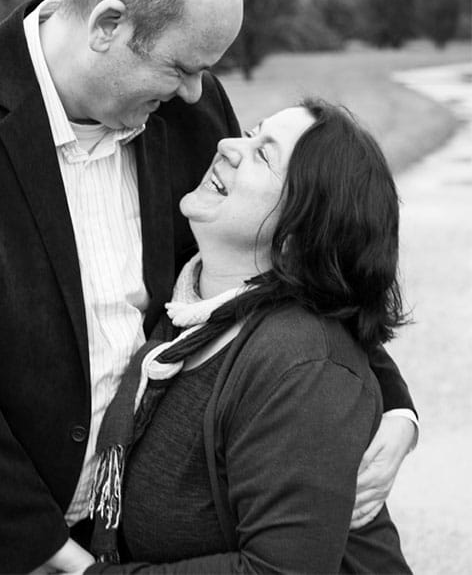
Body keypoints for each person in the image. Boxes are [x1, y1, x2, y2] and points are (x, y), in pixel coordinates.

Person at [0, 0, 418, 573]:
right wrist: (47, 551)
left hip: (115, 542)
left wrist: (393, 405)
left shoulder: (191, 112)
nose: (196, 91)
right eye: (181, 66)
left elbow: (290, 261)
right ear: (109, 25)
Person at [76, 101, 410, 572]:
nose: (227, 145)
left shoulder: (302, 367)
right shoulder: (187, 314)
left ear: (297, 237)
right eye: (251, 133)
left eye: (264, 154)